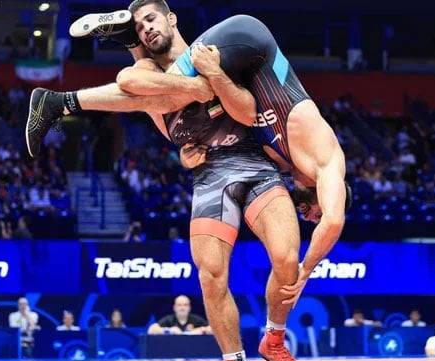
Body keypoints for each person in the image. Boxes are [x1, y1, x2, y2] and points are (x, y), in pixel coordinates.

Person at [24, 1, 310, 361]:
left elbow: (246, 112)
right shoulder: (147, 74)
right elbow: (132, 81)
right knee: (211, 277)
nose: (148, 29)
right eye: (139, 28)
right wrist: (196, 89)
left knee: (287, 259)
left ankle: (274, 340)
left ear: (172, 18)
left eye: (151, 20)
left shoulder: (214, 55)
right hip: (210, 176)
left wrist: (212, 77)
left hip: (253, 164)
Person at [68, 3, 350, 308]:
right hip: (248, 37)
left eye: (311, 219)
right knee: (140, 87)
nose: (310, 217)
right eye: (315, 214)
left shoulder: (283, 165)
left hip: (240, 69)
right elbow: (334, 222)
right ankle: (63, 102)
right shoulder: (328, 161)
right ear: (330, 194)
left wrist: (189, 154)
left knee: (168, 112)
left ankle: (133, 44)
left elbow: (233, 136)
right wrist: (305, 271)